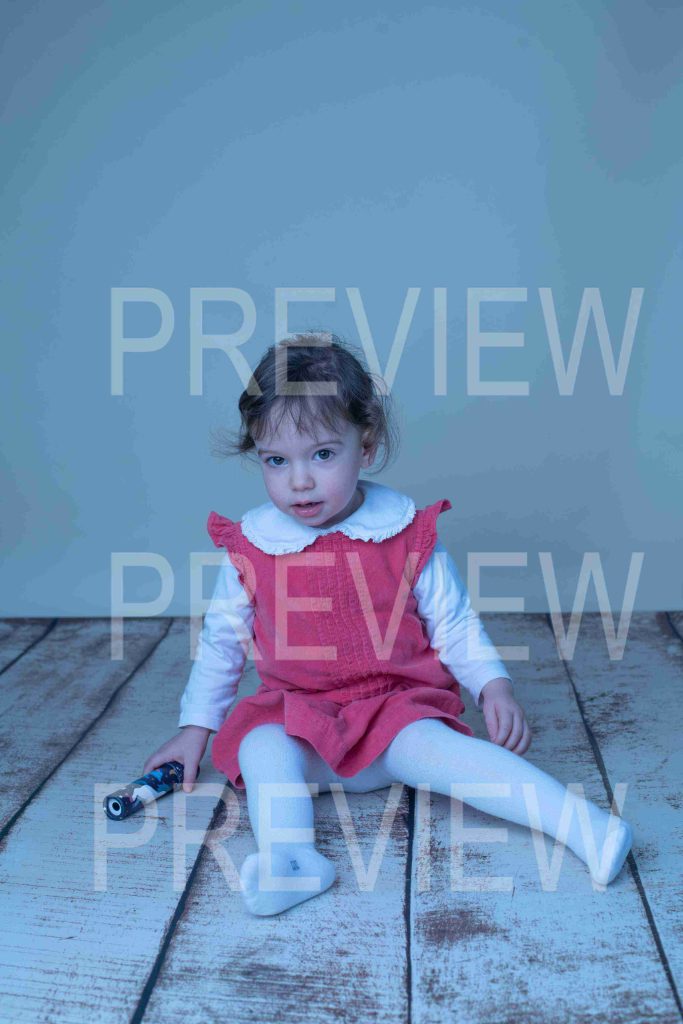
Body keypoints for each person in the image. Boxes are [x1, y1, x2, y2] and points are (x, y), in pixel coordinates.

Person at [143, 331, 633, 916]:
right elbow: (222, 643)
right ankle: (292, 860)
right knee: (261, 747)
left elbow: (454, 622)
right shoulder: (253, 545)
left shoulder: (402, 532)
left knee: (454, 757)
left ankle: (583, 825)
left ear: (367, 445)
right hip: (305, 726)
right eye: (277, 461)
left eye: (323, 455)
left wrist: (492, 685)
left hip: (396, 719)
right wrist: (195, 729)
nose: (299, 481)